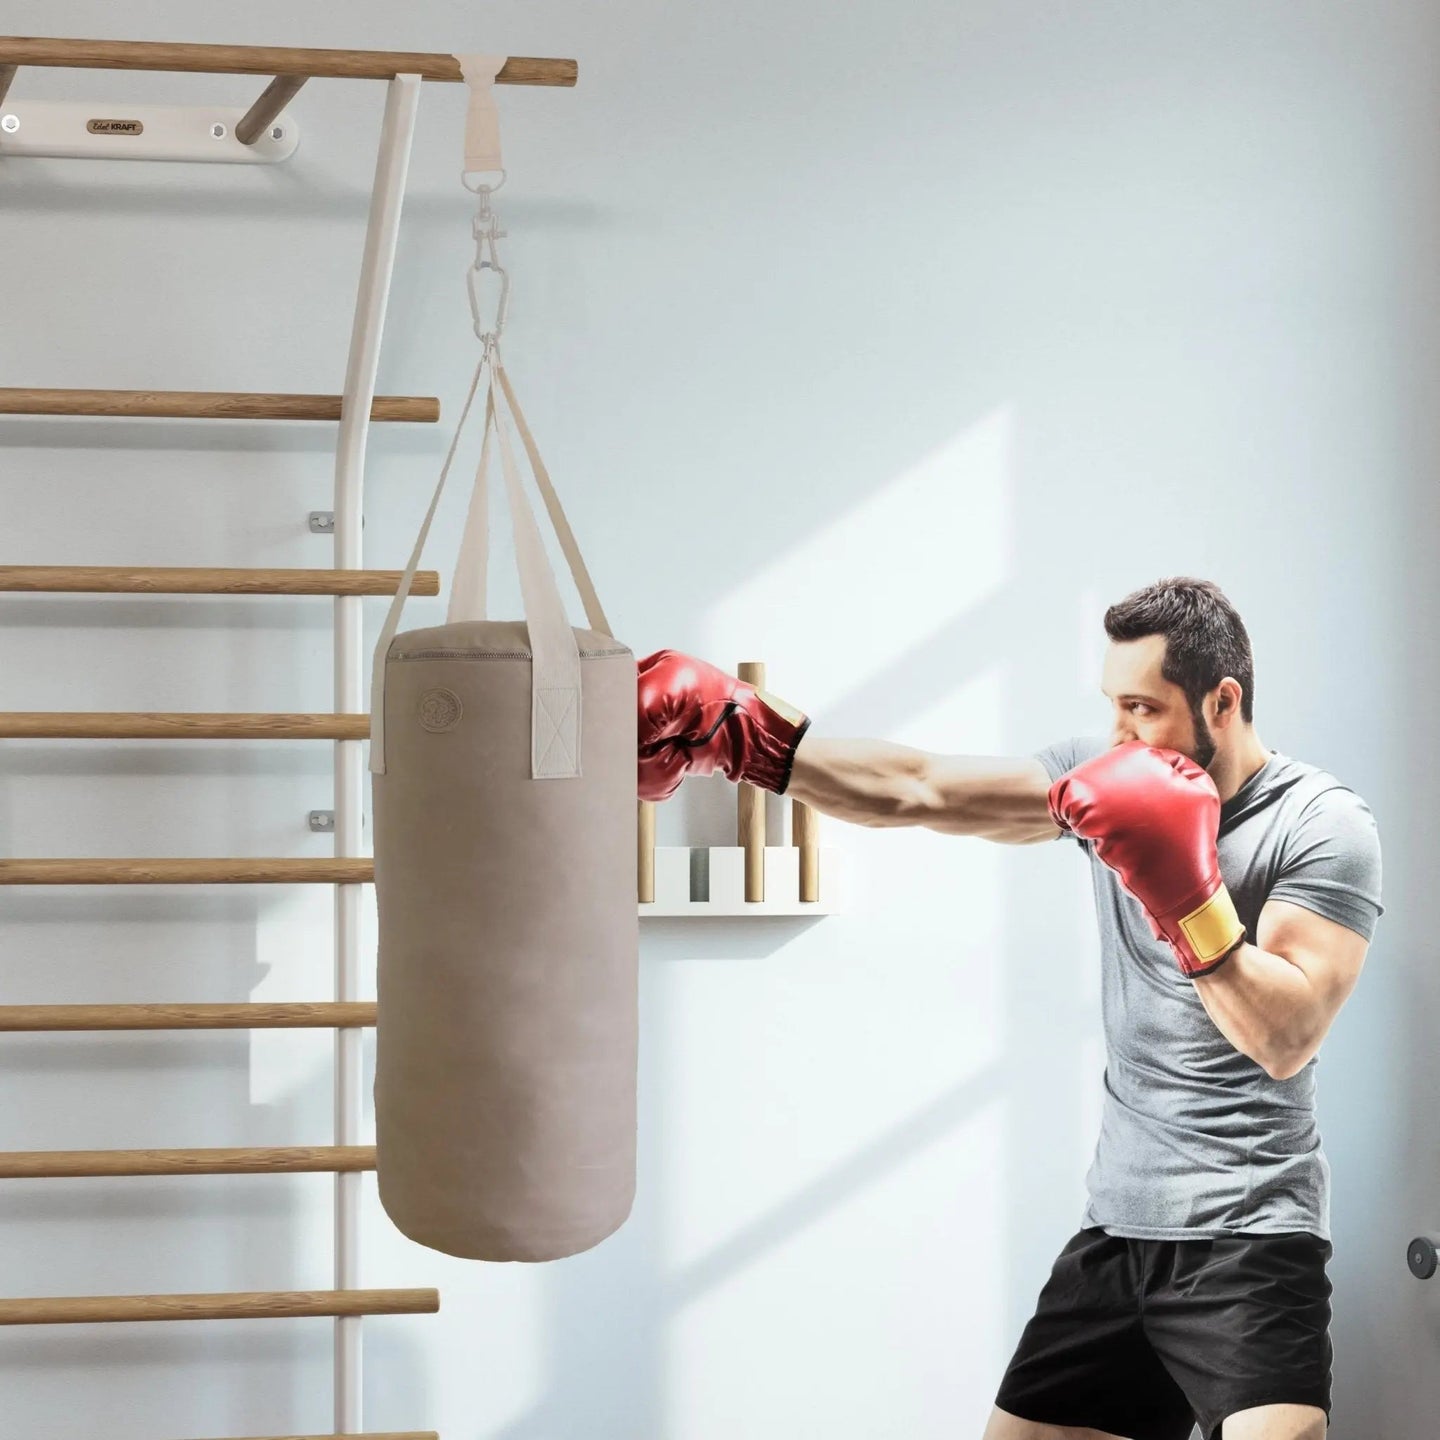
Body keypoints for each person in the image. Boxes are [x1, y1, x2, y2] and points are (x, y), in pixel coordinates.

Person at [636, 577, 1384, 1440]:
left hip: (1251, 1236)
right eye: (1111, 706)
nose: (1119, 737)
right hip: (1116, 1229)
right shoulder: (1098, 775)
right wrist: (756, 744)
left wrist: (1189, 898)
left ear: (1224, 701)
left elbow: (1286, 1037)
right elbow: (918, 787)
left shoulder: (1321, 823)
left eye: (1142, 709)